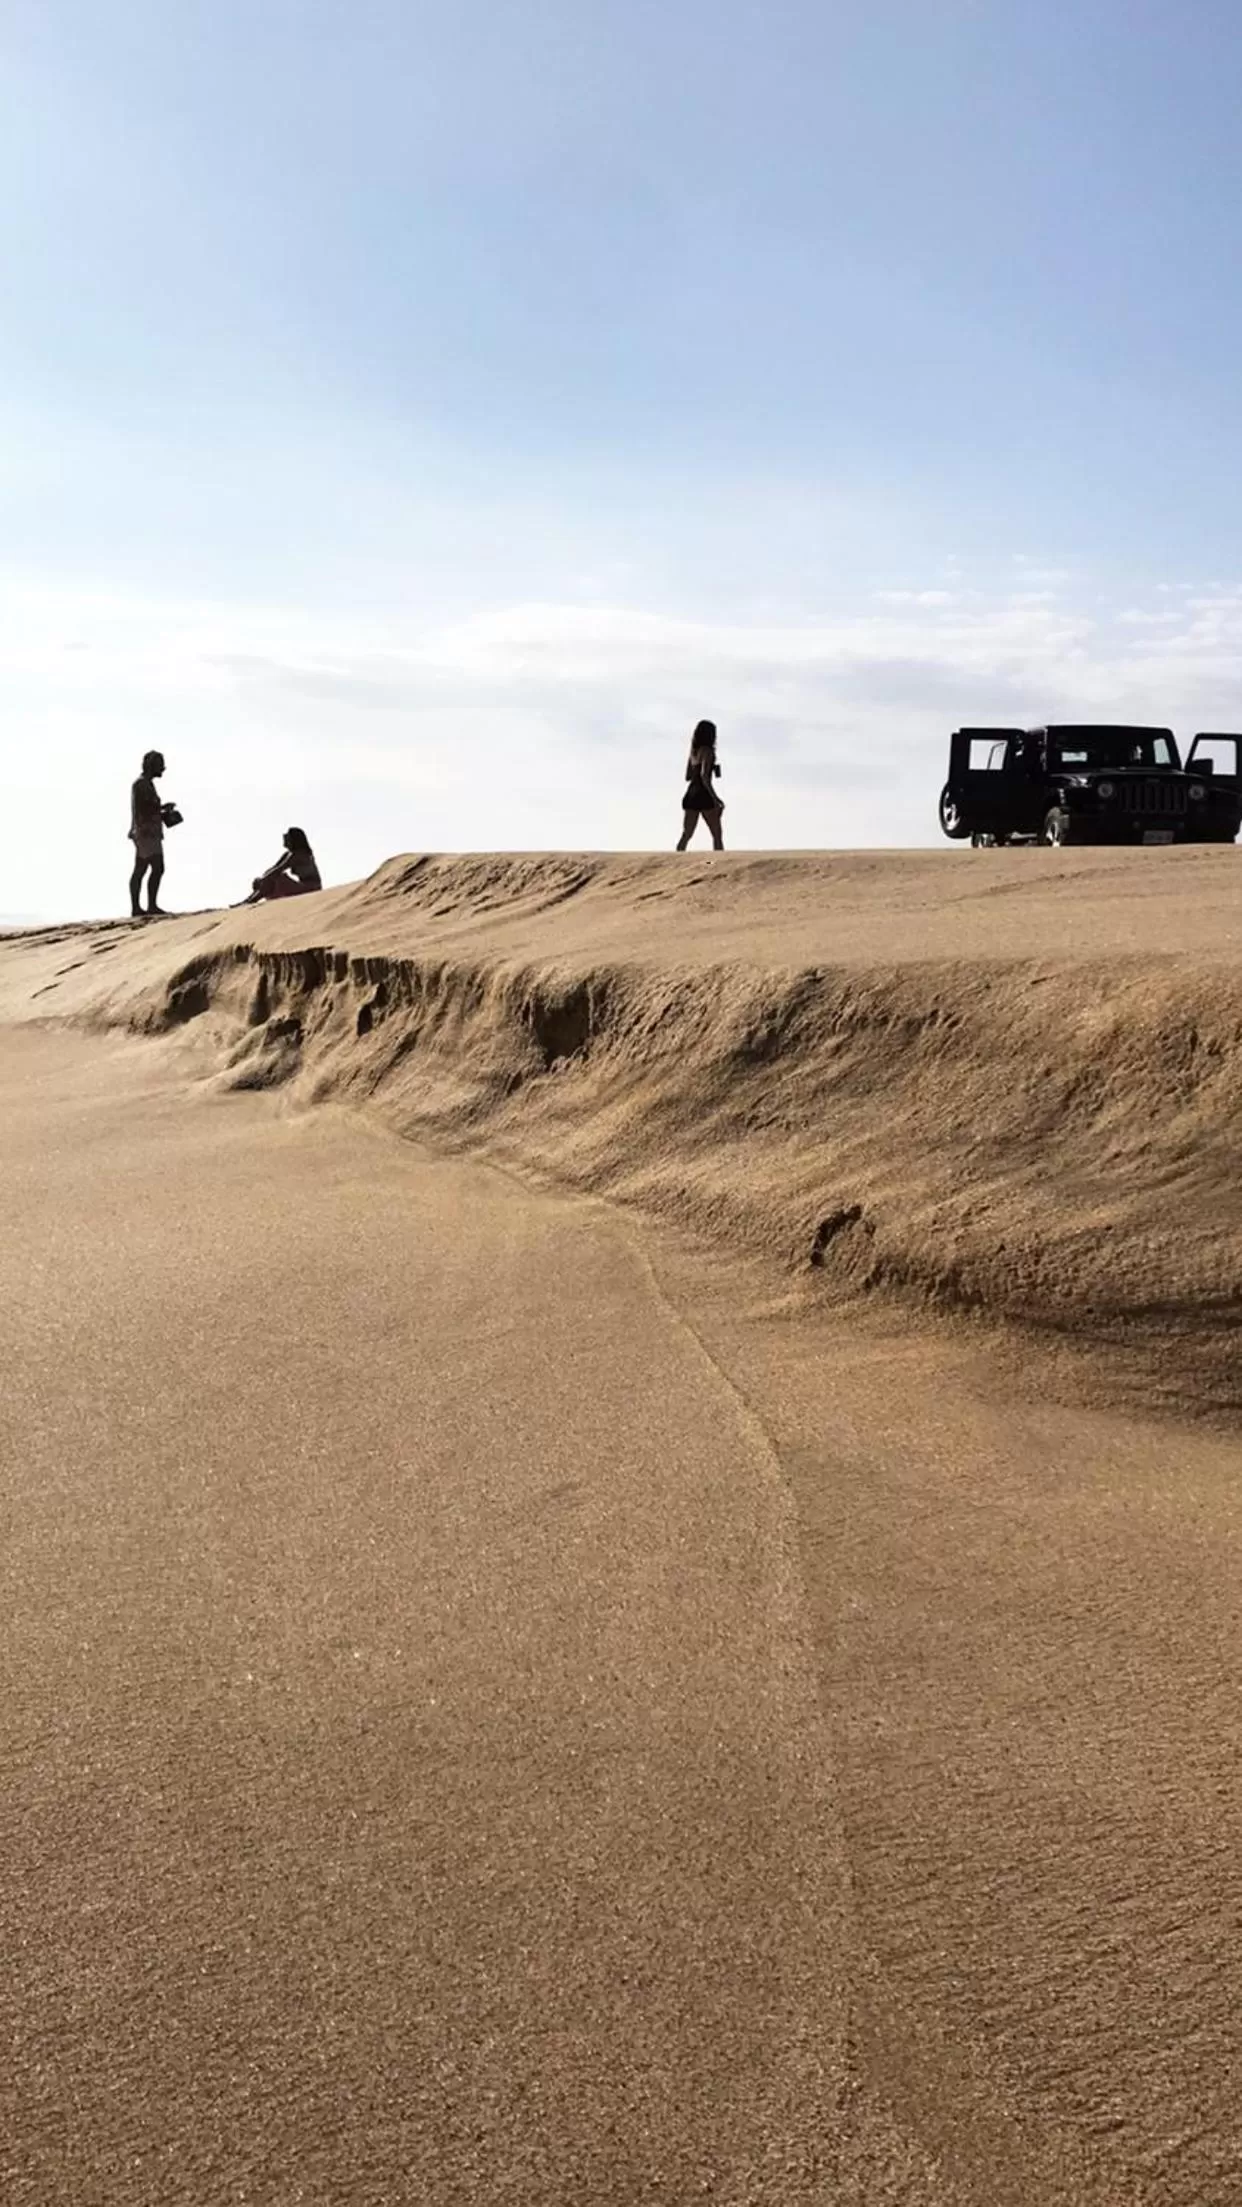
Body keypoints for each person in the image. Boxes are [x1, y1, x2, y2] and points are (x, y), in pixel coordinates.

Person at [129, 750, 169, 917]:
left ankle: (141, 907)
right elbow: (144, 808)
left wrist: (162, 810)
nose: (163, 769)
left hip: (146, 832)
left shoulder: (145, 784)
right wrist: (161, 811)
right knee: (155, 867)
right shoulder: (141, 784)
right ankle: (146, 906)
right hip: (146, 833)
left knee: (142, 868)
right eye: (160, 765)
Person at [676, 719, 725, 850]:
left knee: (687, 834)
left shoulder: (693, 753)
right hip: (703, 793)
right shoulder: (708, 751)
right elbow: (704, 776)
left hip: (691, 793)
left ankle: (677, 859)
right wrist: (716, 799)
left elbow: (688, 776)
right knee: (717, 834)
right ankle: (719, 862)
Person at [246, 827, 323, 902]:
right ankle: (250, 900)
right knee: (269, 876)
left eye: (287, 836)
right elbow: (273, 869)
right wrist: (262, 879)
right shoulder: (288, 854)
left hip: (311, 890)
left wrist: (263, 880)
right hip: (302, 886)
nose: (284, 837)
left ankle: (251, 900)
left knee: (278, 878)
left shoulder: (298, 854)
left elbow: (278, 870)